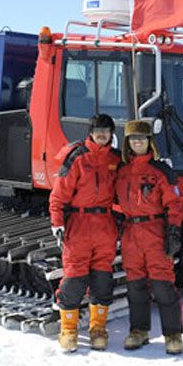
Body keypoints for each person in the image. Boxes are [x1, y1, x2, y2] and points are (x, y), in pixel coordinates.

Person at [48, 114, 121, 353]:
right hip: (79, 224)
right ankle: (68, 330)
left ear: (111, 134)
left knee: (102, 279)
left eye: (106, 131)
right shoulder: (78, 158)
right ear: (91, 132)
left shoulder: (115, 160)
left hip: (104, 225)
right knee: (74, 277)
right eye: (98, 130)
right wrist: (57, 222)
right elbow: (59, 194)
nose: (102, 134)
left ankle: (97, 329)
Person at [115, 120, 183, 354]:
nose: (138, 142)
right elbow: (114, 202)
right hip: (131, 233)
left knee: (163, 284)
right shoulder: (121, 173)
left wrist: (173, 231)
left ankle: (173, 334)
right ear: (127, 143)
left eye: (142, 139)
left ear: (149, 142)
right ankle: (139, 331)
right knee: (135, 286)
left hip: (155, 231)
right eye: (133, 139)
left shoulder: (161, 171)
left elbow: (174, 204)